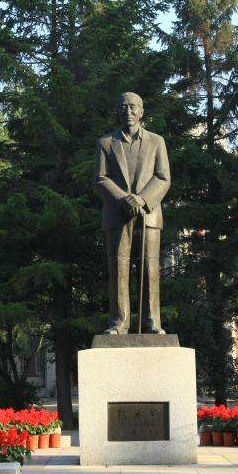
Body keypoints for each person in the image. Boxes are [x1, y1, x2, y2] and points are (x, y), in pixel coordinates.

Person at [94, 92, 171, 334]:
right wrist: (122, 199)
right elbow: (99, 179)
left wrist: (142, 199)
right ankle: (119, 322)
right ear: (117, 111)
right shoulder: (105, 144)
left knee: (150, 268)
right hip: (117, 214)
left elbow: (163, 177)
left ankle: (152, 322)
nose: (128, 111)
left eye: (133, 107)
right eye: (124, 107)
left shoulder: (156, 141)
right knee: (119, 267)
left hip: (149, 215)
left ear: (141, 111)